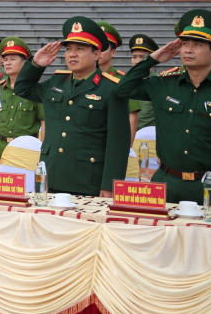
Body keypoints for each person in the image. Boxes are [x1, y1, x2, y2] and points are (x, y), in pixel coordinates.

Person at [115, 9, 211, 207]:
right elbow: (122, 90)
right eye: (184, 44)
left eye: (197, 44)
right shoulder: (163, 84)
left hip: (210, 183)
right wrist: (153, 59)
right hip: (166, 182)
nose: (188, 50)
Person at [14, 16, 129, 197]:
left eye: (80, 49)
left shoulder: (112, 89)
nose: (72, 54)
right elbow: (22, 88)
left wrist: (109, 185)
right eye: (68, 49)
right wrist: (35, 64)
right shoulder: (56, 81)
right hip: (51, 176)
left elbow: (118, 144)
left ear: (97, 54)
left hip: (88, 182)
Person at [0, 37, 45, 160]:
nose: (7, 63)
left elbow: (45, 123)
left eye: (13, 59)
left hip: (27, 151)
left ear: (24, 63)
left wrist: (42, 153)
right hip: (1, 149)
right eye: (5, 59)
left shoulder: (34, 90)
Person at [128, 33, 159, 131]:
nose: (137, 61)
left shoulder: (159, 83)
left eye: (142, 57)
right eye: (134, 57)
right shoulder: (125, 83)